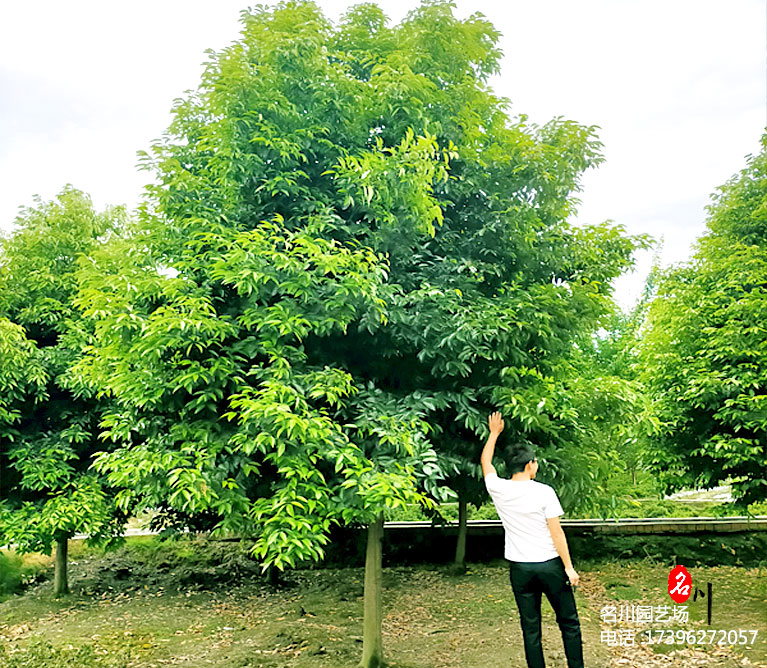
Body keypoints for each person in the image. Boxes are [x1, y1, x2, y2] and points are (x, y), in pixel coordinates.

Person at [480, 411, 585, 668]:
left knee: (530, 628)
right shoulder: (544, 492)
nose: (537, 465)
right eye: (535, 462)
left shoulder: (499, 488)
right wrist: (569, 567)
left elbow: (486, 463)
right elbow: (556, 532)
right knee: (569, 622)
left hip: (520, 569)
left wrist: (494, 434)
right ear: (529, 465)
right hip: (549, 566)